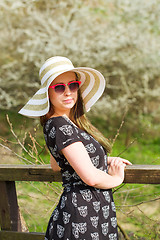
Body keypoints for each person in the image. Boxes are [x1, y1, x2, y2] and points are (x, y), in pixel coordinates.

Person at [19, 56, 131, 240]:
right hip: (83, 217)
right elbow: (91, 177)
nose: (68, 92)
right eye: (59, 87)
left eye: (73, 85)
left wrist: (104, 160)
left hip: (90, 214)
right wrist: (117, 178)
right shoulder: (59, 125)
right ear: (48, 93)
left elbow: (57, 165)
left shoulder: (64, 124)